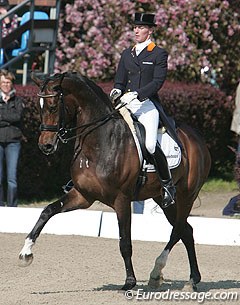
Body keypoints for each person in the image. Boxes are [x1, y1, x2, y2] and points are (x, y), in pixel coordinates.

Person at [110, 12, 175, 208]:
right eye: (135, 27)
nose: (136, 30)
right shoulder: (126, 53)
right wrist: (116, 90)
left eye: (141, 27)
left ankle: (167, 185)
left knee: (149, 145)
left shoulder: (158, 53)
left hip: (146, 105)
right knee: (106, 133)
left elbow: (157, 82)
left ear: (150, 30)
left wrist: (137, 94)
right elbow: (120, 81)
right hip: (126, 104)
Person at [0, 69, 24, 207]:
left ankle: (12, 206)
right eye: (3, 82)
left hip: (13, 142)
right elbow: (13, 117)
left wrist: (2, 117)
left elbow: (18, 117)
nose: (6, 85)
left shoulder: (18, 100)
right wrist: (9, 119)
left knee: (12, 179)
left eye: (8, 82)